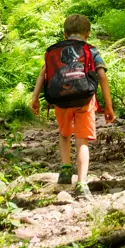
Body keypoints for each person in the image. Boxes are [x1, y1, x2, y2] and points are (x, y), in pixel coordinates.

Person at [30, 14, 115, 200]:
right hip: (85, 100)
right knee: (82, 141)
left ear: (65, 33)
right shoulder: (91, 50)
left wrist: (35, 98)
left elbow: (43, 74)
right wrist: (108, 106)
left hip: (61, 100)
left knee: (64, 134)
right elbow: (102, 77)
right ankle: (82, 184)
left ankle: (66, 168)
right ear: (88, 34)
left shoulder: (56, 51)